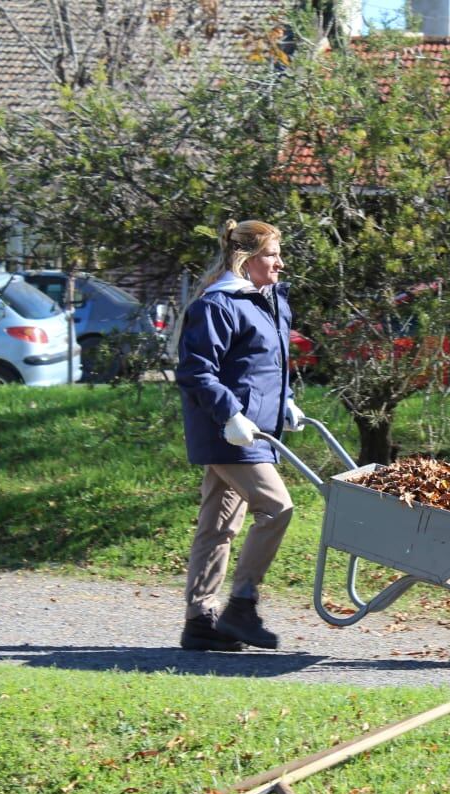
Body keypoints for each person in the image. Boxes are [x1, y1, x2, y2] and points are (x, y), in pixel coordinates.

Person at [175, 219, 306, 651]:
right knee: (277, 508)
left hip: (254, 431)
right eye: (272, 254)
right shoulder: (218, 304)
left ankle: (201, 620)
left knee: (218, 525)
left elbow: (268, 364)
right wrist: (230, 413)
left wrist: (284, 402)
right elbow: (197, 371)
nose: (280, 263)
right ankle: (241, 605)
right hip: (228, 431)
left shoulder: (267, 301)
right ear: (245, 259)